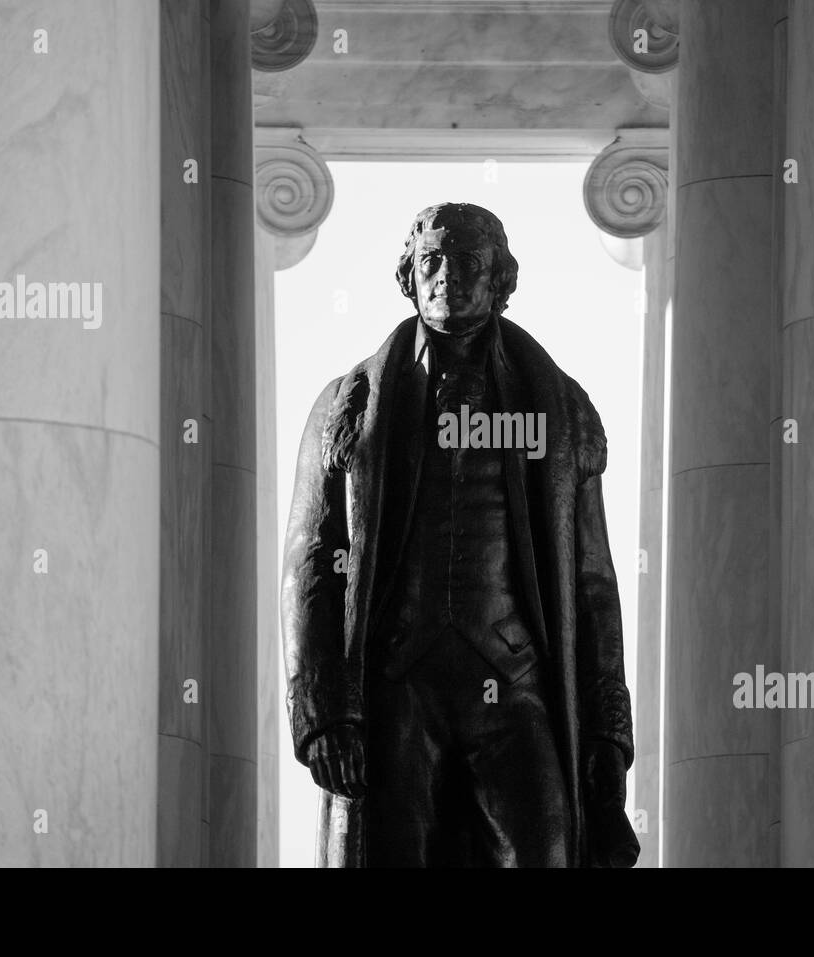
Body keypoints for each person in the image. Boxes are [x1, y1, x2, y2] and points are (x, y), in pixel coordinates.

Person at [281, 202, 637, 867]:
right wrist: (324, 712)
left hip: (514, 683)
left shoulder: (561, 409)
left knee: (546, 850)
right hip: (397, 686)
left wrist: (608, 732)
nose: (446, 276)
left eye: (467, 261)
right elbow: (309, 563)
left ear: (500, 278)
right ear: (410, 277)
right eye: (430, 262)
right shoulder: (348, 404)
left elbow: (593, 582)